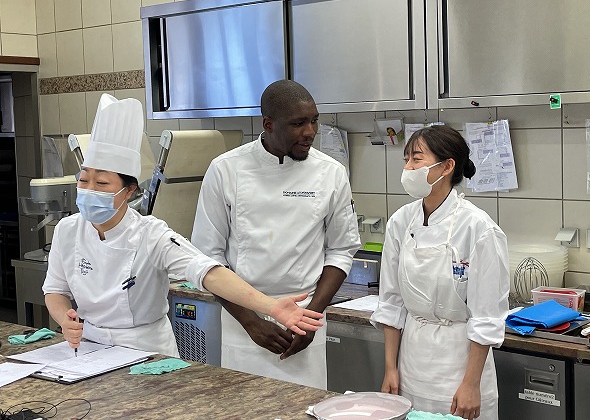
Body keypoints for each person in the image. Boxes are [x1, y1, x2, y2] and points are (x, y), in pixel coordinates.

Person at [42, 94, 324, 358]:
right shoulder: (68, 230)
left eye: (102, 183)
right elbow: (55, 289)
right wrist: (65, 320)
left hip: (145, 351)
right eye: (83, 180)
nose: (89, 190)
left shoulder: (150, 234)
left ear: (128, 191)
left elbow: (207, 271)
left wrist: (271, 306)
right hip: (88, 348)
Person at [190, 79, 361, 389]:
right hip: (243, 321)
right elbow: (208, 258)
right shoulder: (226, 170)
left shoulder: (331, 172)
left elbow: (341, 249)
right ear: (268, 124)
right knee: (245, 406)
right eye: (298, 123)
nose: (310, 132)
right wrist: (251, 322)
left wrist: (311, 318)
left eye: (314, 121)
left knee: (304, 406)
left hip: (305, 319)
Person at [370, 125, 509, 420]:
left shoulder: (478, 228)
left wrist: (471, 384)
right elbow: (391, 302)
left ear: (447, 167)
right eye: (406, 159)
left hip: (460, 365)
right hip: (412, 364)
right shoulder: (401, 222)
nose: (408, 168)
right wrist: (391, 368)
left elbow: (487, 316)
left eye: (416, 159)